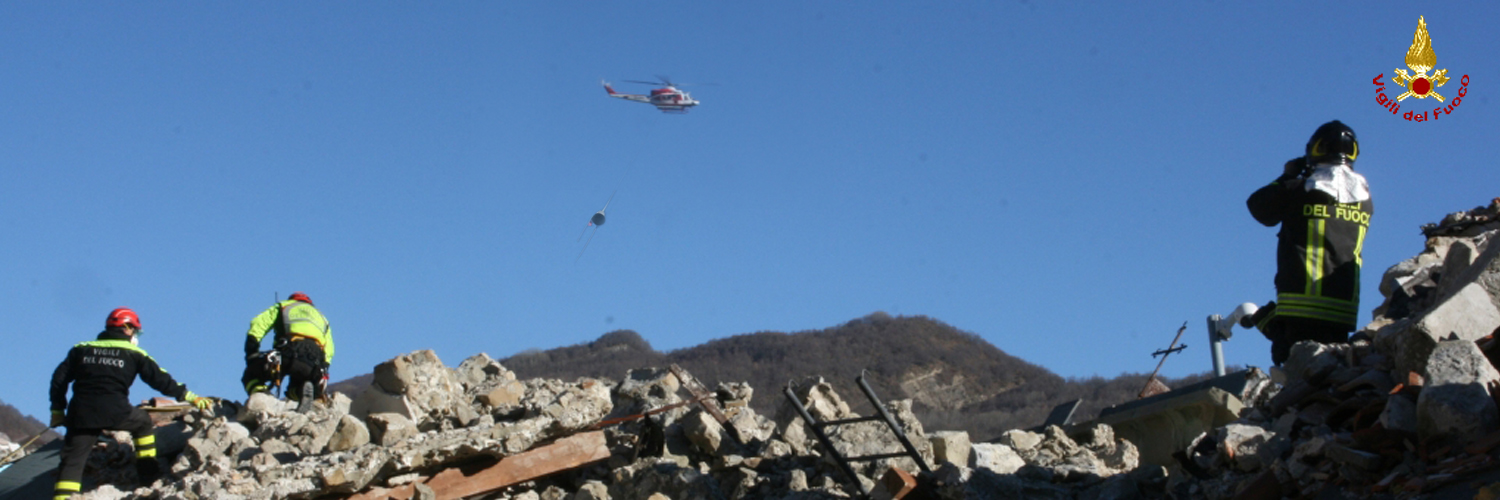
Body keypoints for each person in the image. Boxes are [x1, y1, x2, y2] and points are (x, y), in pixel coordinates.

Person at [1247, 120, 1373, 365]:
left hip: (1300, 305)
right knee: (1332, 369)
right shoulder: (1365, 199)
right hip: (1342, 308)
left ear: (1315, 149)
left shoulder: (1301, 189)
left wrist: (1287, 175)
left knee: (1296, 370)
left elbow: (1259, 207)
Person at [49, 307, 211, 499]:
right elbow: (161, 380)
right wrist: (191, 396)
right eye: (135, 330)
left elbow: (58, 380)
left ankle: (62, 497)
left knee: (73, 461)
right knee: (142, 423)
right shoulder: (134, 353)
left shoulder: (80, 349)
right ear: (126, 328)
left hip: (81, 414)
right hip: (116, 412)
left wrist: (57, 410)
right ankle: (149, 476)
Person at [242, 292, 334, 411]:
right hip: (313, 362)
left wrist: (252, 354)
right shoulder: (322, 318)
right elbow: (330, 350)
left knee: (250, 375)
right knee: (298, 387)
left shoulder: (283, 306)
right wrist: (323, 368)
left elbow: (257, 326)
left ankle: (263, 398)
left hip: (288, 352)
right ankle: (300, 391)